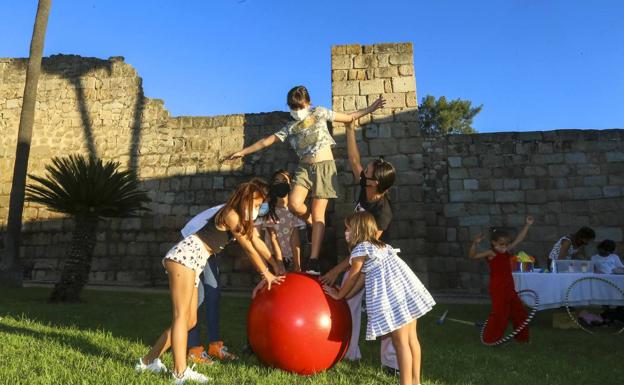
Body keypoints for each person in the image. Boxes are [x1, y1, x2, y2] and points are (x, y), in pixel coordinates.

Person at [226, 85, 385, 275]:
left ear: (308, 104)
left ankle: (314, 260)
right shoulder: (290, 127)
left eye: (300, 107)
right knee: (293, 204)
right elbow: (265, 141)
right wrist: (242, 152)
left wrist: (370, 109)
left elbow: (349, 117)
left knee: (319, 214)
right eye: (293, 108)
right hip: (304, 167)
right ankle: (311, 222)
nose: (297, 112)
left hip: (324, 166)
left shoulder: (319, 112)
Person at [135, 182, 284, 384]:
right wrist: (266, 273)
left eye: (259, 206)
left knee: (190, 321)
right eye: (255, 204)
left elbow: (256, 242)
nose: (257, 210)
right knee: (181, 317)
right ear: (243, 199)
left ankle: (147, 361)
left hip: (196, 260)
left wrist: (277, 265)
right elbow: (248, 248)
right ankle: (180, 373)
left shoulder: (241, 219)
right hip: (185, 256)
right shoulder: (230, 213)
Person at [323, 212, 435, 385]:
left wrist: (339, 294)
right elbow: (362, 279)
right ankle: (415, 381)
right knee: (412, 339)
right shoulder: (381, 247)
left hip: (393, 298)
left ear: (357, 230)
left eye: (348, 228)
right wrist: (346, 296)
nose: (345, 232)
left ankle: (405, 383)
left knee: (401, 343)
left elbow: (353, 276)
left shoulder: (361, 249)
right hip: (407, 294)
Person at [320, 120, 397, 368]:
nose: (363, 172)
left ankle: (392, 363)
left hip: (376, 265)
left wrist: (336, 269)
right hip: (356, 258)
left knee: (383, 312)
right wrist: (350, 129)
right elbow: (354, 161)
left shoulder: (383, 213)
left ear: (376, 182)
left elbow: (365, 251)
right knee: (348, 304)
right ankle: (349, 352)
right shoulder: (366, 188)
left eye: (368, 172)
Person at [469, 216, 534, 344]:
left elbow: (519, 239)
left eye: (506, 244)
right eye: (501, 244)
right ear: (494, 243)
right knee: (500, 314)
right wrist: (475, 243)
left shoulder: (506, 251)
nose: (504, 247)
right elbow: (472, 256)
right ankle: (491, 339)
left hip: (509, 287)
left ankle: (522, 339)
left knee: (519, 312)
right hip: (498, 288)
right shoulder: (491, 253)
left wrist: (528, 225)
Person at [256, 170, 306, 272]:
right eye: (277, 181)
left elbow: (295, 238)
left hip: (291, 257)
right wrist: (279, 263)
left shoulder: (294, 209)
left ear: (290, 184)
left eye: (284, 180)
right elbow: (272, 237)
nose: (281, 184)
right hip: (273, 258)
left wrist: (297, 263)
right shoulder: (268, 209)